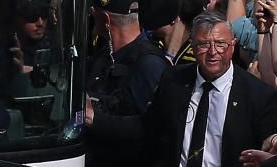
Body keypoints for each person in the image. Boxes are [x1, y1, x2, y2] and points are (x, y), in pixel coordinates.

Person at [99, 10, 277, 166]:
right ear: (192, 45)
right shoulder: (174, 80)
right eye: (204, 44)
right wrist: (96, 119)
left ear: (233, 45)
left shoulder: (257, 95)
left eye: (221, 44)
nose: (213, 51)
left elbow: (267, 151)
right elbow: (147, 127)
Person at [84, 0, 167, 166]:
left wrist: (95, 119)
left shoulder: (149, 64)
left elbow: (153, 129)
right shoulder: (104, 56)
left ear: (105, 19)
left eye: (93, 13)